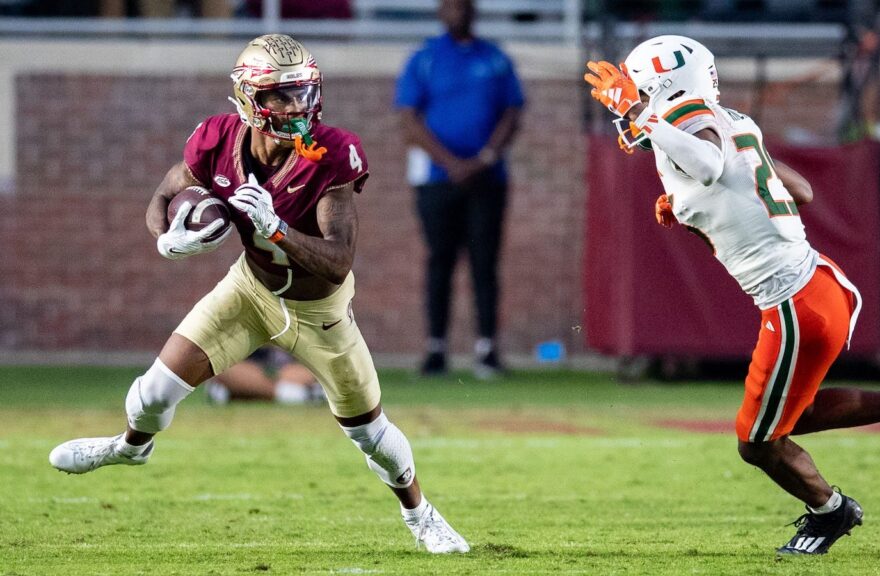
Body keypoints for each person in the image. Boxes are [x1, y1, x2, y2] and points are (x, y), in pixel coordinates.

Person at [49, 34, 469, 554]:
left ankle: (421, 515)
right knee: (150, 395)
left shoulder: (332, 152)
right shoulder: (217, 140)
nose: (298, 107)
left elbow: (338, 261)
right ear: (249, 98)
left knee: (371, 436)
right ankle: (131, 448)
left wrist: (277, 231)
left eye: (305, 92)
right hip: (250, 292)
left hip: (321, 313)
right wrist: (165, 238)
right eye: (283, 96)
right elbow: (164, 191)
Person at [584, 36, 880, 555]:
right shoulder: (734, 121)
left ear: (658, 88)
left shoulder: (684, 120)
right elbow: (797, 189)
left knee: (756, 441)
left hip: (794, 304)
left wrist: (644, 116)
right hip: (822, 284)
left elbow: (707, 165)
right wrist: (693, 203)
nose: (626, 104)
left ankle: (831, 511)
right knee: (791, 415)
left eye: (635, 90)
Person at [394, 0, 525, 379]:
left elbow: (512, 112)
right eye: (450, 6)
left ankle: (486, 349)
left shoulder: (495, 58)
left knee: (485, 262)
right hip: (436, 179)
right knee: (440, 260)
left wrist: (483, 159)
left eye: (463, 6)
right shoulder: (425, 58)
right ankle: (436, 347)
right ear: (440, 12)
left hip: (488, 178)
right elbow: (408, 118)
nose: (457, 13)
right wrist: (451, 163)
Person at [204, 347, 325, 405]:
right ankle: (298, 395)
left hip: (290, 372)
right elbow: (221, 368)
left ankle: (240, 395)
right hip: (244, 371)